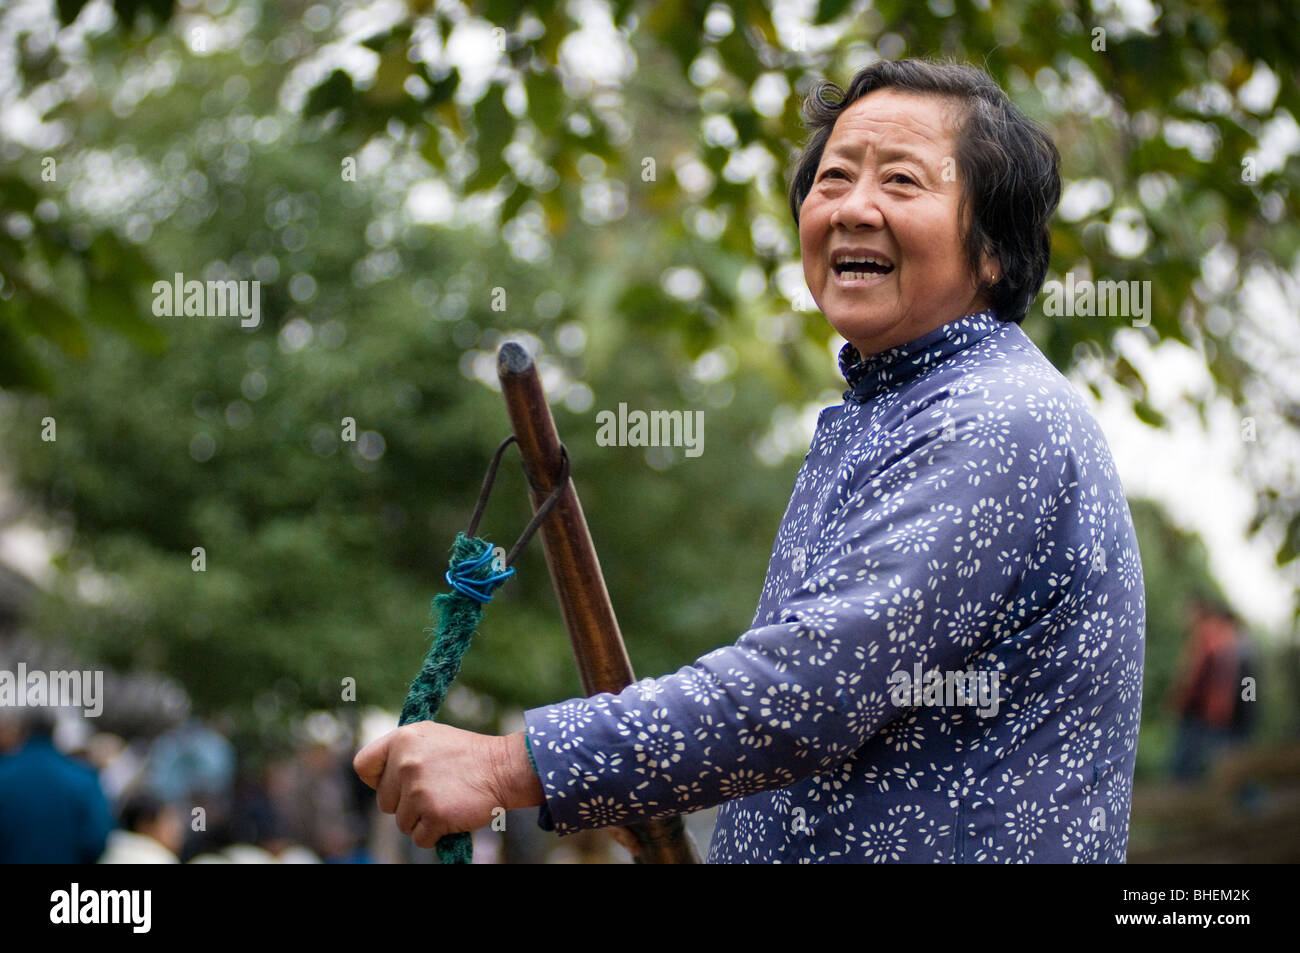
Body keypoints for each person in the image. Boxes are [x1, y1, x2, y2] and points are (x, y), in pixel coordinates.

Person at [355, 58, 1147, 863]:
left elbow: (814, 684)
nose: (852, 208)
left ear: (993, 253)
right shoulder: (893, 411)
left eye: (902, 181)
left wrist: (506, 763)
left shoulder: (994, 418)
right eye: (834, 178)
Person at [0, 708, 115, 863]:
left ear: (22, 731)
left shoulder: (5, 773)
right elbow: (97, 838)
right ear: (55, 731)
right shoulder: (82, 777)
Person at [99, 791, 184, 863]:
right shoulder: (157, 860)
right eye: (169, 820)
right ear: (145, 826)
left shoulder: (110, 854)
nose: (178, 829)